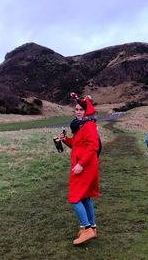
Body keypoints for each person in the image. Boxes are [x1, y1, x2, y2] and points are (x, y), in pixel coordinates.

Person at [59, 93, 99, 245]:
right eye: (76, 109)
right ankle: (92, 228)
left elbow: (93, 147)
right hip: (83, 164)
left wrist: (80, 164)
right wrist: (66, 140)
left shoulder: (88, 125)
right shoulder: (80, 125)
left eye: (81, 110)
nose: (77, 112)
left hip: (85, 166)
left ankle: (87, 228)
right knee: (84, 197)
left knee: (74, 197)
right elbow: (78, 146)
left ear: (86, 111)